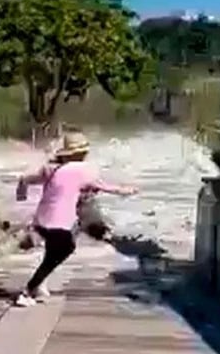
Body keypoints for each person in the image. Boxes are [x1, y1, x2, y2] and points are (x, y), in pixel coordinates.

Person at [13, 131, 137, 307]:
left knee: (52, 251)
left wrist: (21, 191)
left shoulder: (51, 168)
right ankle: (28, 292)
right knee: (65, 249)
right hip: (59, 221)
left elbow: (27, 179)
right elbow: (102, 185)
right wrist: (125, 190)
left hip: (41, 220)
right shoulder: (82, 170)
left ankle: (40, 284)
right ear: (82, 153)